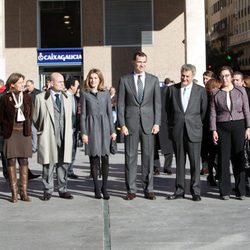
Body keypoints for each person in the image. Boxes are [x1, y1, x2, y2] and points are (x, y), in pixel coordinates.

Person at [117, 51, 161, 200]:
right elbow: (121, 104)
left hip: (149, 124)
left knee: (148, 158)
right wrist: (122, 124)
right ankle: (131, 190)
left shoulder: (153, 80)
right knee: (130, 157)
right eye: (139, 62)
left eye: (144, 62)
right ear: (133, 62)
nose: (142, 64)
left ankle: (148, 189)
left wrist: (157, 123)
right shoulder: (124, 80)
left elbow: (157, 104)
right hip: (130, 124)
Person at [166, 64, 207, 201]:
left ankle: (195, 191)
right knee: (179, 162)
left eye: (187, 76)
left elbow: (203, 112)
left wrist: (194, 123)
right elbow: (168, 110)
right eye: (183, 75)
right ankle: (179, 190)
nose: (184, 78)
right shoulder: (172, 89)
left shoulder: (200, 91)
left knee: (195, 163)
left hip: (194, 130)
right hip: (178, 130)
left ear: (193, 76)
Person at [210, 66, 250, 200]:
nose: (224, 78)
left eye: (227, 75)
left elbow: (246, 109)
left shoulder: (241, 90)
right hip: (222, 127)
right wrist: (213, 130)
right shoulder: (215, 93)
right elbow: (213, 113)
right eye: (222, 76)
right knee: (223, 159)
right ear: (219, 78)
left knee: (239, 158)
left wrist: (248, 127)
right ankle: (225, 191)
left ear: (232, 76)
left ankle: (240, 190)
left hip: (239, 125)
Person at [33, 72, 74, 201]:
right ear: (51, 83)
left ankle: (63, 189)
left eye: (63, 82)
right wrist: (43, 130)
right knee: (48, 164)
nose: (63, 84)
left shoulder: (68, 96)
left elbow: (71, 116)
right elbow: (35, 118)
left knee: (63, 163)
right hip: (48, 135)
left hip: (64, 135)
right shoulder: (40, 98)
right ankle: (48, 190)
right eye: (60, 82)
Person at [80, 69, 116, 199]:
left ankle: (104, 188)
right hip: (91, 127)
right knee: (94, 159)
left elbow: (110, 114)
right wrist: (84, 132)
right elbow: (83, 114)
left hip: (105, 126)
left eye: (95, 78)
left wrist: (112, 131)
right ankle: (96, 187)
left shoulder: (105, 93)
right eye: (91, 78)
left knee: (105, 158)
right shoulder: (84, 93)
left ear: (100, 79)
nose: (93, 80)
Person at [0, 73, 33, 202]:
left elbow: (31, 115)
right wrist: (3, 132)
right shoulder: (4, 98)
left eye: (23, 82)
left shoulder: (27, 97)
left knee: (24, 161)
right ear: (12, 84)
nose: (22, 84)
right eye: (20, 82)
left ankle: (23, 192)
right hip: (11, 134)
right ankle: (14, 192)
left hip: (24, 133)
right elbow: (1, 118)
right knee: (11, 161)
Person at [154, 78, 174, 175]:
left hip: (155, 121)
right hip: (167, 122)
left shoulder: (157, 90)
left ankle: (156, 167)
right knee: (168, 147)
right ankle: (167, 167)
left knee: (154, 147)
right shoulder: (172, 91)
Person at [204, 78, 222, 186]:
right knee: (215, 155)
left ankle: (212, 175)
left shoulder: (208, 96)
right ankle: (215, 175)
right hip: (211, 130)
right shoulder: (212, 97)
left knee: (212, 155)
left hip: (209, 130)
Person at [200, 70, 217, 175]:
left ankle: (215, 168)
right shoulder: (201, 91)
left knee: (214, 150)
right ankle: (205, 167)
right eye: (204, 78)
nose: (205, 80)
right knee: (203, 149)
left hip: (213, 125)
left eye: (207, 78)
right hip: (202, 125)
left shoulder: (215, 91)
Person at [65, 76, 80, 179]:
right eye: (77, 86)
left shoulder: (76, 98)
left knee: (73, 150)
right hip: (67, 128)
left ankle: (70, 170)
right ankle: (64, 171)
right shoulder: (64, 97)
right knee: (66, 151)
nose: (78, 88)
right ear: (71, 86)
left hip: (75, 128)